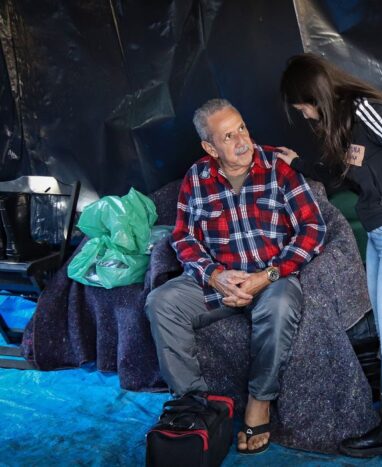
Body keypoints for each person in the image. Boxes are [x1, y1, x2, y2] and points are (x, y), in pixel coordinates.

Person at [279, 53, 382, 467]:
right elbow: (344, 176)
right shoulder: (343, 126)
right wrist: (297, 164)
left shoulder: (362, 108)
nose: (305, 114)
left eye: (303, 106)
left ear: (314, 93)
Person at [144, 98, 326, 455]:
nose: (242, 141)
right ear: (210, 147)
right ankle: (193, 403)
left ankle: (260, 401)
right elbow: (182, 236)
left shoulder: (278, 167)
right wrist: (214, 276)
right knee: (160, 302)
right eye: (228, 136)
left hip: (270, 278)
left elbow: (313, 228)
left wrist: (268, 274)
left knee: (282, 304)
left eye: (242, 128)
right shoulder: (197, 177)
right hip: (218, 281)